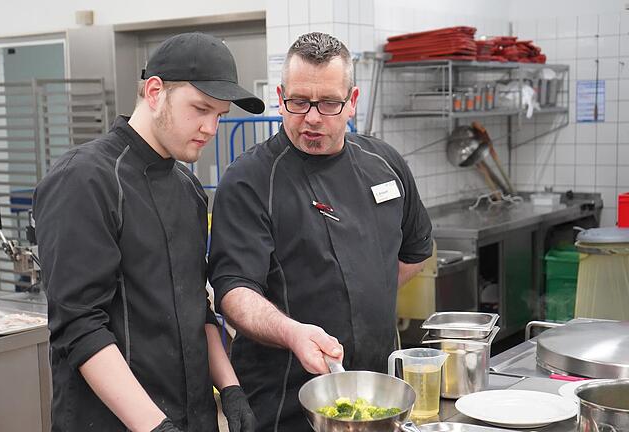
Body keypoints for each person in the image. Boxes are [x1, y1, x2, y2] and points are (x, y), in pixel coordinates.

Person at [34, 32, 264, 432]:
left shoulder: (189, 190)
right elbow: (81, 327)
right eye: (201, 109)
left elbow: (197, 307)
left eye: (219, 115)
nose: (211, 128)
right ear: (155, 91)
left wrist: (230, 388)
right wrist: (155, 427)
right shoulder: (85, 179)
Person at [207, 32, 433, 431]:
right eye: (298, 102)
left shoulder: (385, 164)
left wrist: (363, 297)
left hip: (375, 395)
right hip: (283, 403)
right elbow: (233, 293)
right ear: (280, 97)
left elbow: (413, 252)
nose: (312, 117)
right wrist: (292, 332)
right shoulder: (251, 179)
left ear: (353, 102)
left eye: (329, 103)